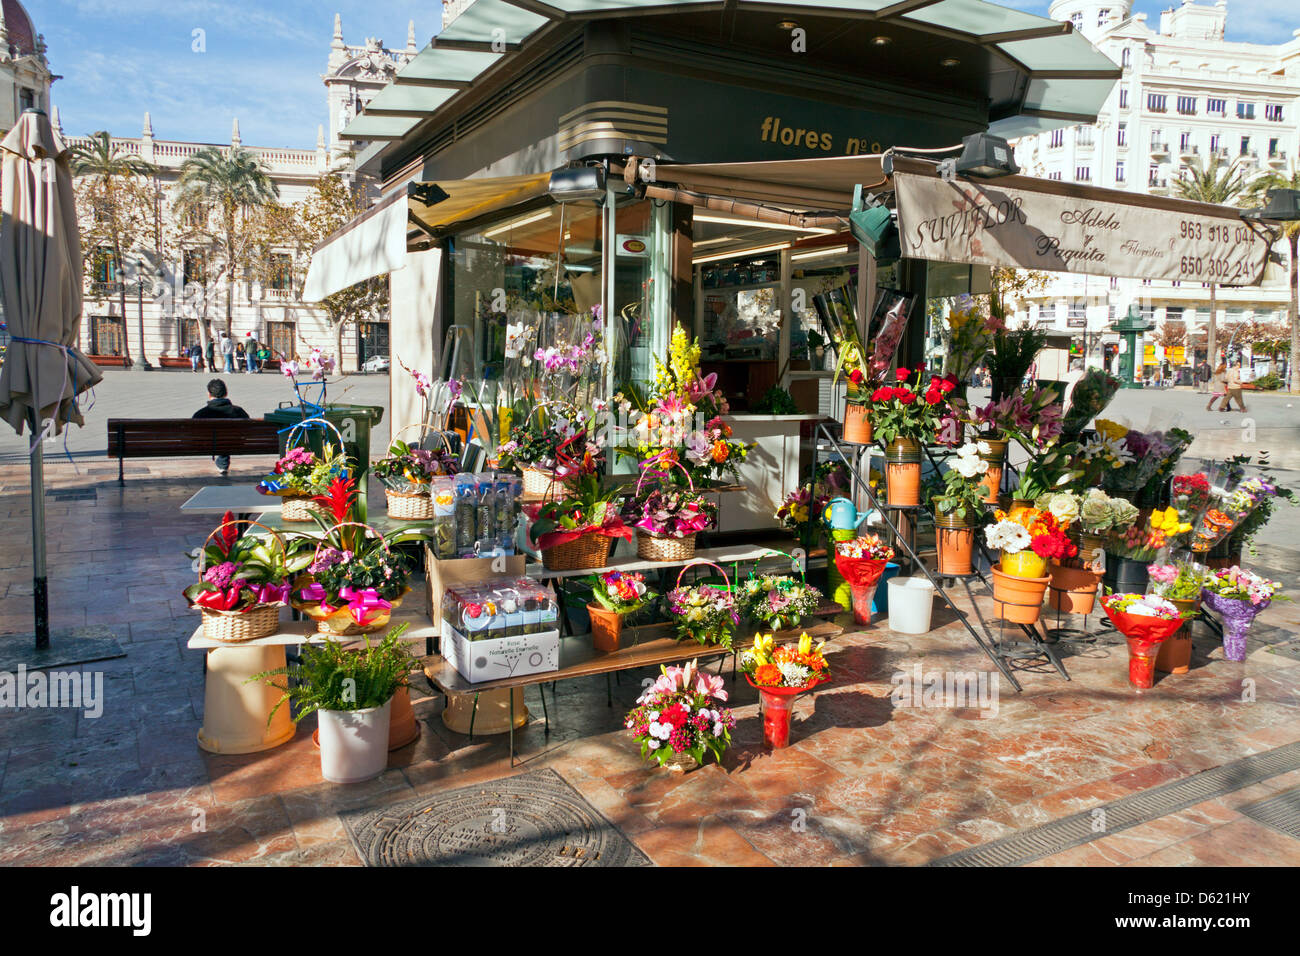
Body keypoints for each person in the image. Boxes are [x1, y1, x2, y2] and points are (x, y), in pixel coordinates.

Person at [192, 379, 249, 476]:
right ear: (226, 393)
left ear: (209, 394)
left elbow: (192, 431)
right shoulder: (238, 411)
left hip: (207, 445)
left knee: (219, 439)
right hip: (235, 443)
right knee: (226, 439)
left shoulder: (201, 413)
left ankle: (222, 464)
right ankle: (223, 463)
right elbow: (248, 427)